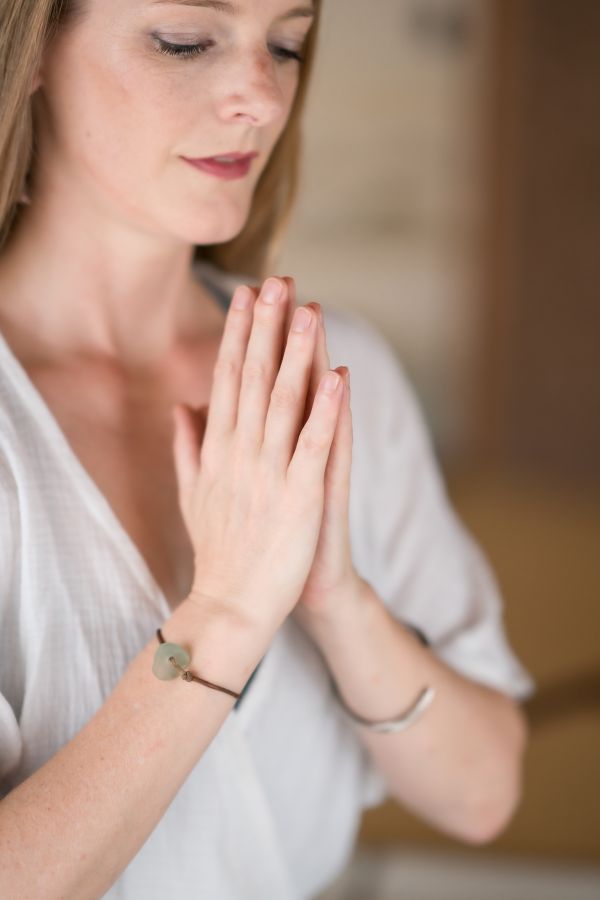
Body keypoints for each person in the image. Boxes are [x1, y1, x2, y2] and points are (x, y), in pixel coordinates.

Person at [0, 0, 536, 897]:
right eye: (185, 41)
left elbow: (482, 796)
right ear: (32, 49)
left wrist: (338, 600)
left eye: (286, 44)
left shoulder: (335, 369)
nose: (261, 96)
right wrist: (230, 611)